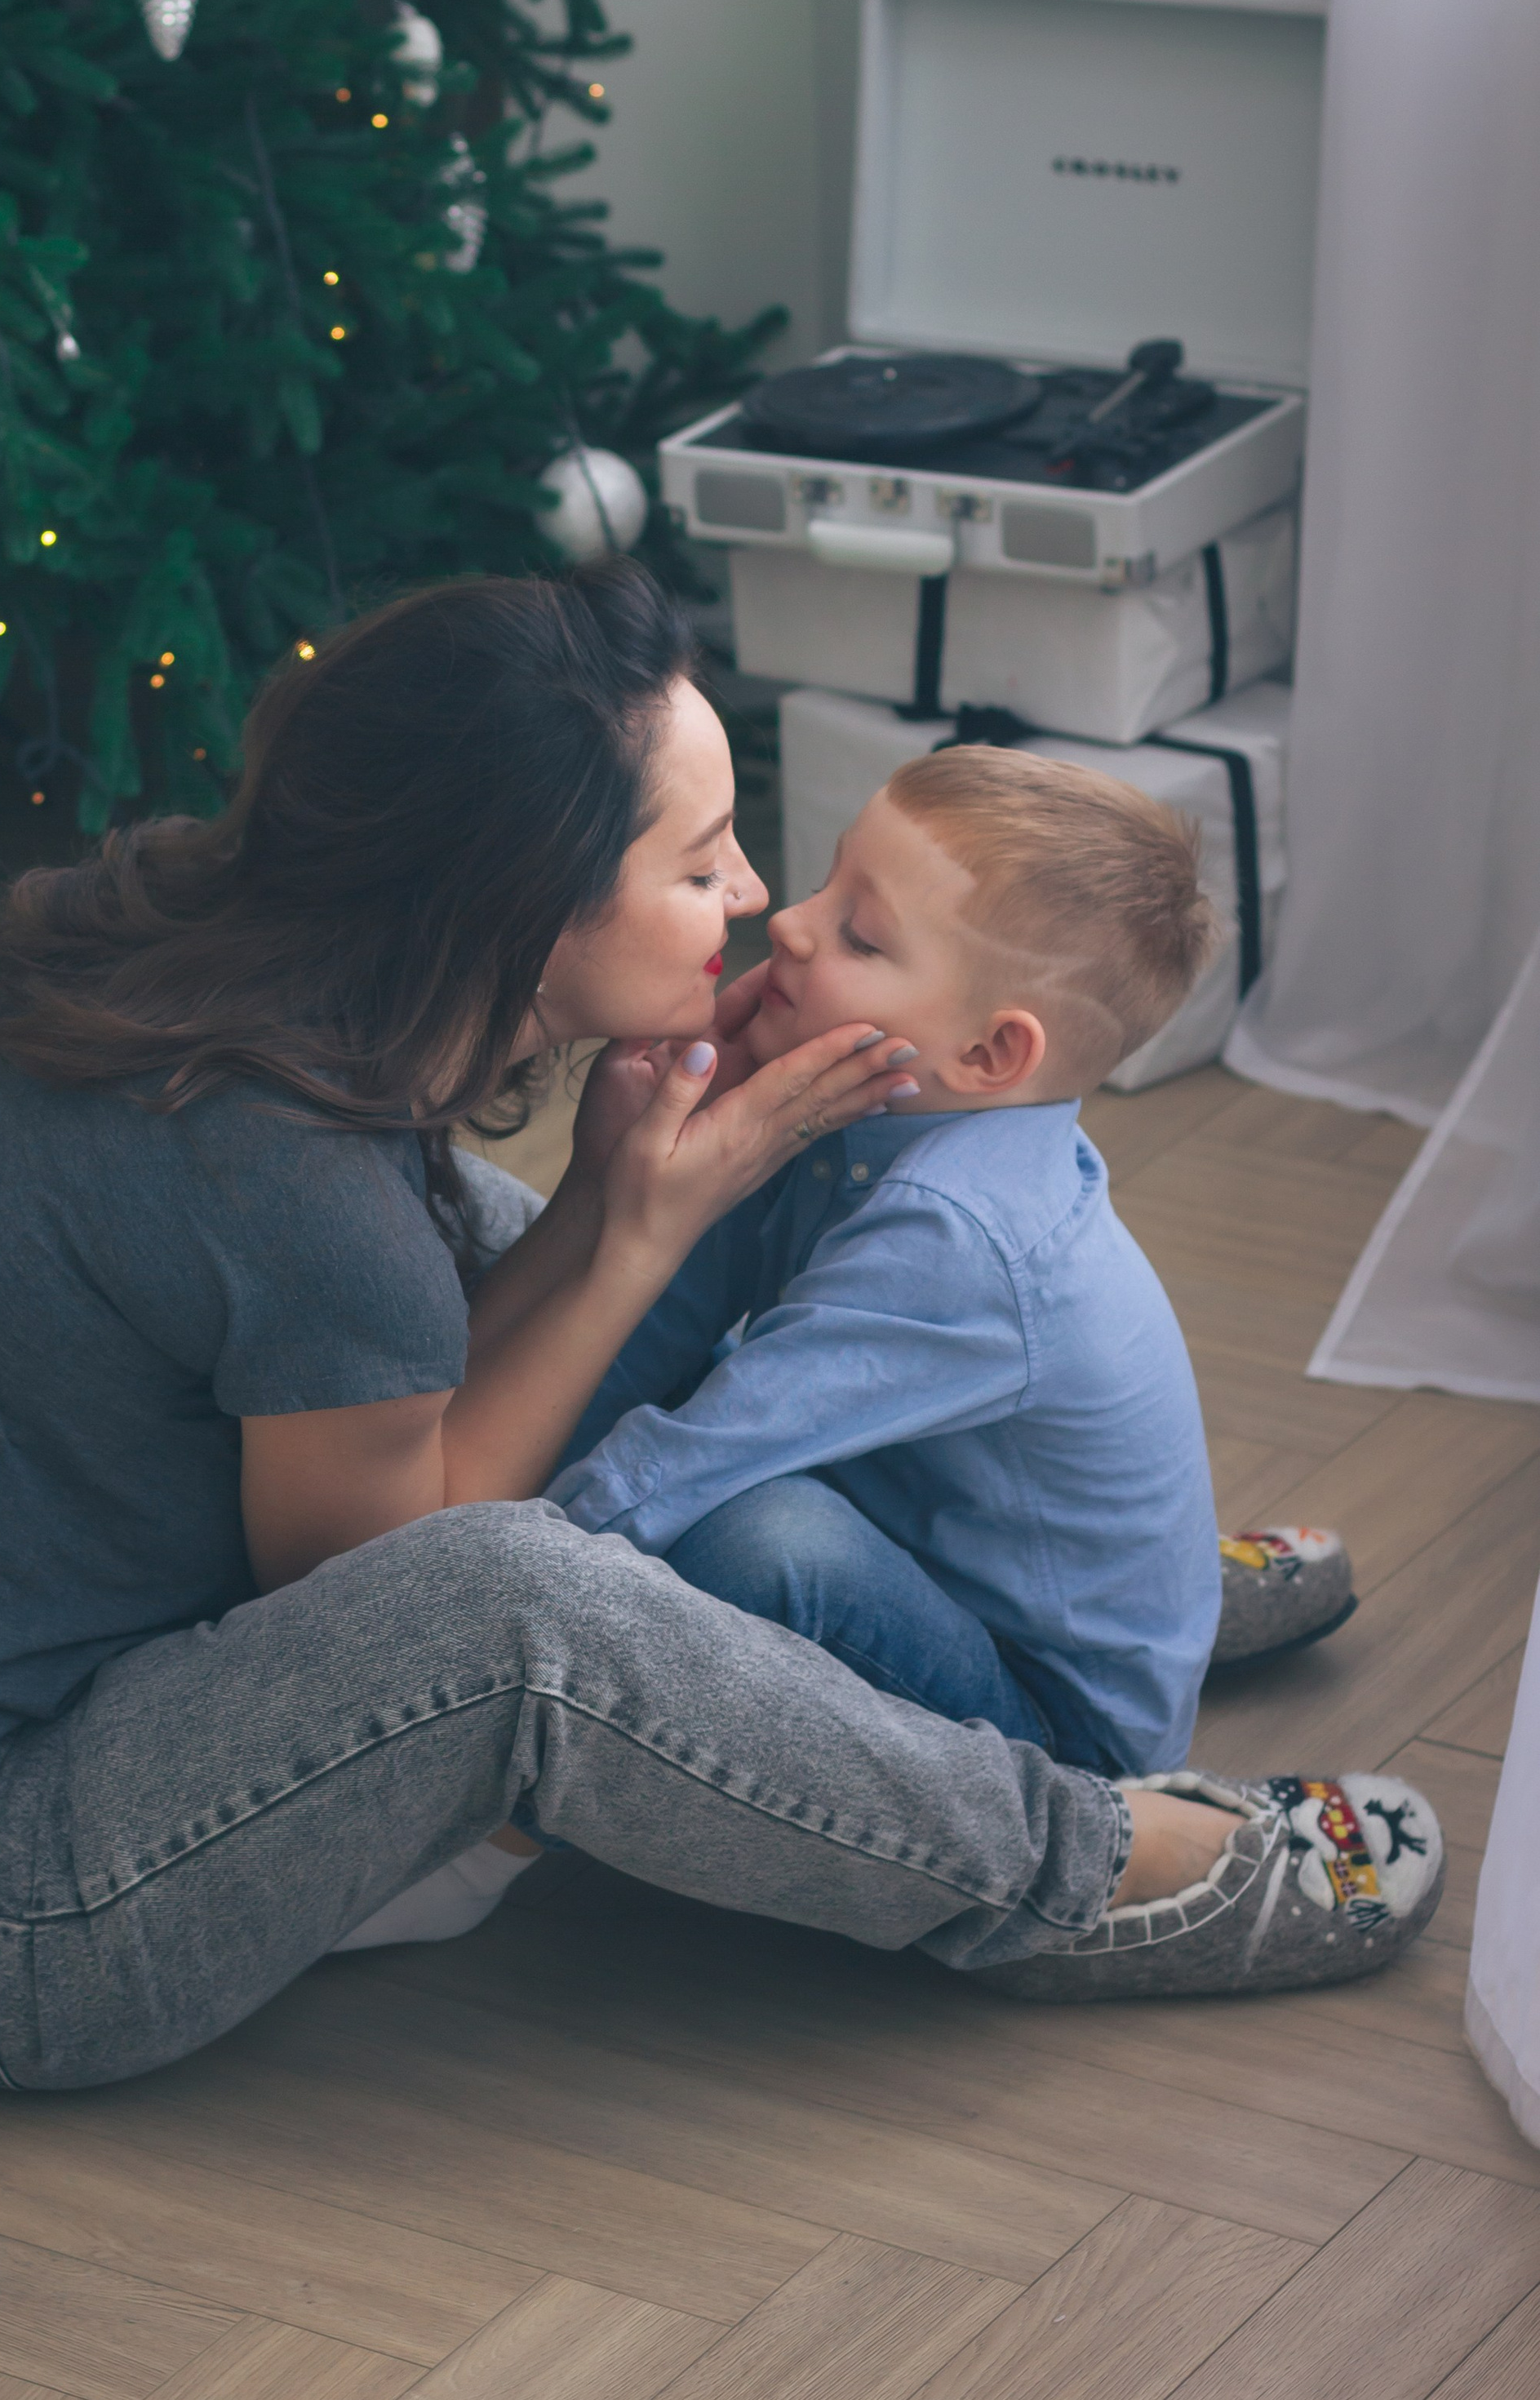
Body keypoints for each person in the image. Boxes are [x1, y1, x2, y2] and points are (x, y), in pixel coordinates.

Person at [0, 565, 1441, 2091]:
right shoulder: (293, 1187)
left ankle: (1039, 1588)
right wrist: (634, 1233)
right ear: (517, 907)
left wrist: (606, 1206)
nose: (749, 902)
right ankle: (1078, 1867)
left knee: (513, 1238)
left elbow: (416, 1356)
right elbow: (406, 1595)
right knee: (534, 1596)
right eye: (705, 859)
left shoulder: (246, 967)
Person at [548, 749, 1348, 1786]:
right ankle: (1185, 1593)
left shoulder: (958, 1234)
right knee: (689, 1410)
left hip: (1056, 1729)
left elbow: (705, 1451)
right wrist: (509, 1452)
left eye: (859, 934)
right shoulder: (853, 1105)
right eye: (830, 880)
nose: (789, 921)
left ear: (986, 1056)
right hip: (933, 1559)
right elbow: (666, 1309)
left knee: (755, 1538)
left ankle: (1097, 1793)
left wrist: (491, 1565)